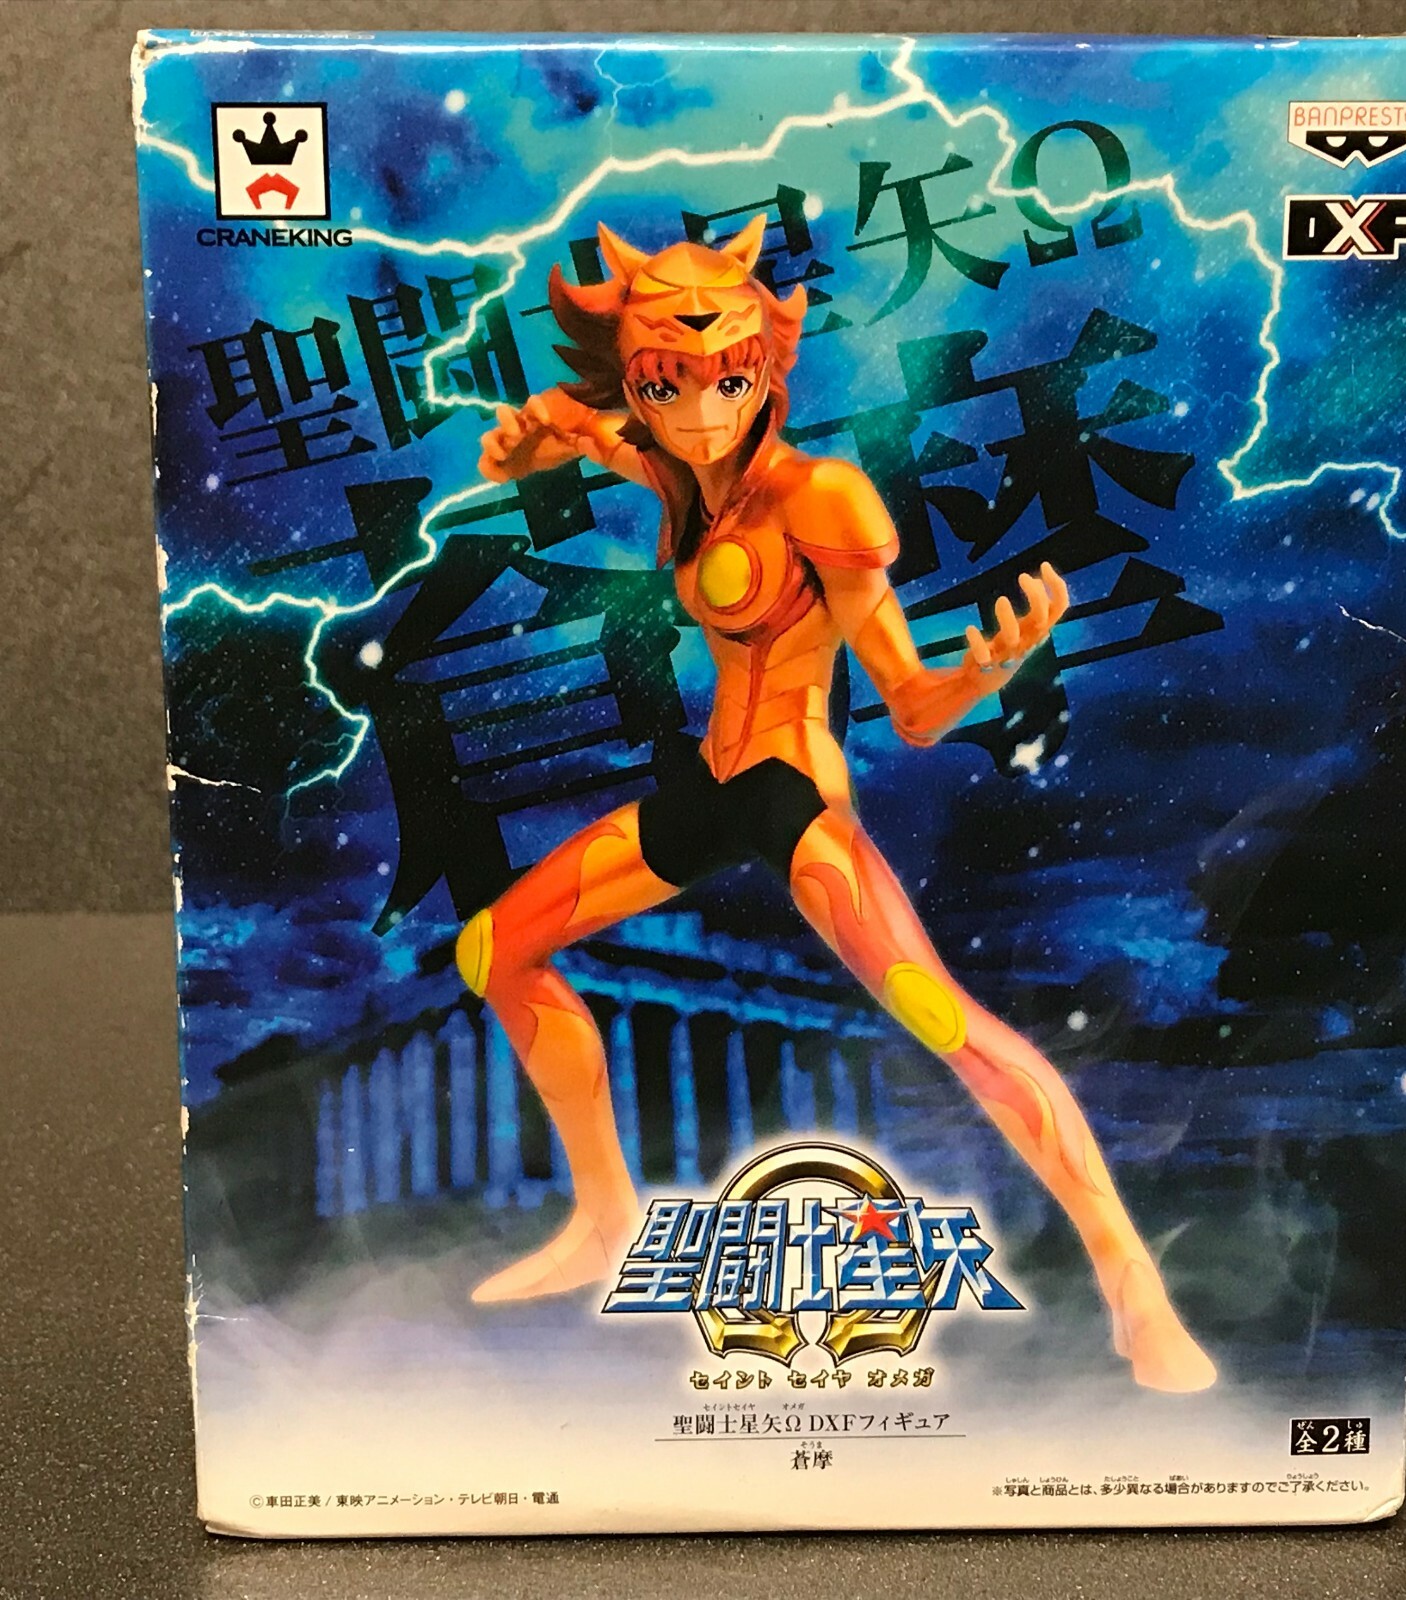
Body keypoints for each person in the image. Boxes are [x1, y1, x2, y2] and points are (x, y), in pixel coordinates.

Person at [454, 215, 1216, 1392]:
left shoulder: (824, 497)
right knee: (494, 948)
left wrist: (979, 673)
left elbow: (909, 705)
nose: (699, 405)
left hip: (793, 798)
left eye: (727, 376)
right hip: (711, 788)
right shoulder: (676, 475)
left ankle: (1134, 1287)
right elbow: (577, 428)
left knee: (943, 1018)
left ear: (765, 366)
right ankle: (604, 1219)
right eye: (666, 381)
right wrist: (525, 444)